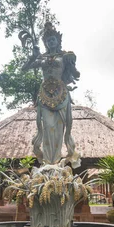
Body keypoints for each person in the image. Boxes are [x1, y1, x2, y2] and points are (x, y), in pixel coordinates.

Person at [22, 22, 81, 168]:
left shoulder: (65, 56)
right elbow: (24, 69)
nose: (51, 42)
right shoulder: (41, 58)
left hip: (61, 95)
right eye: (48, 40)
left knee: (60, 129)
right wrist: (32, 57)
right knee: (48, 127)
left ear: (58, 40)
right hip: (45, 95)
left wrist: (71, 64)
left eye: (53, 39)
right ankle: (49, 161)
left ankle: (57, 160)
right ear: (45, 43)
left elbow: (77, 74)